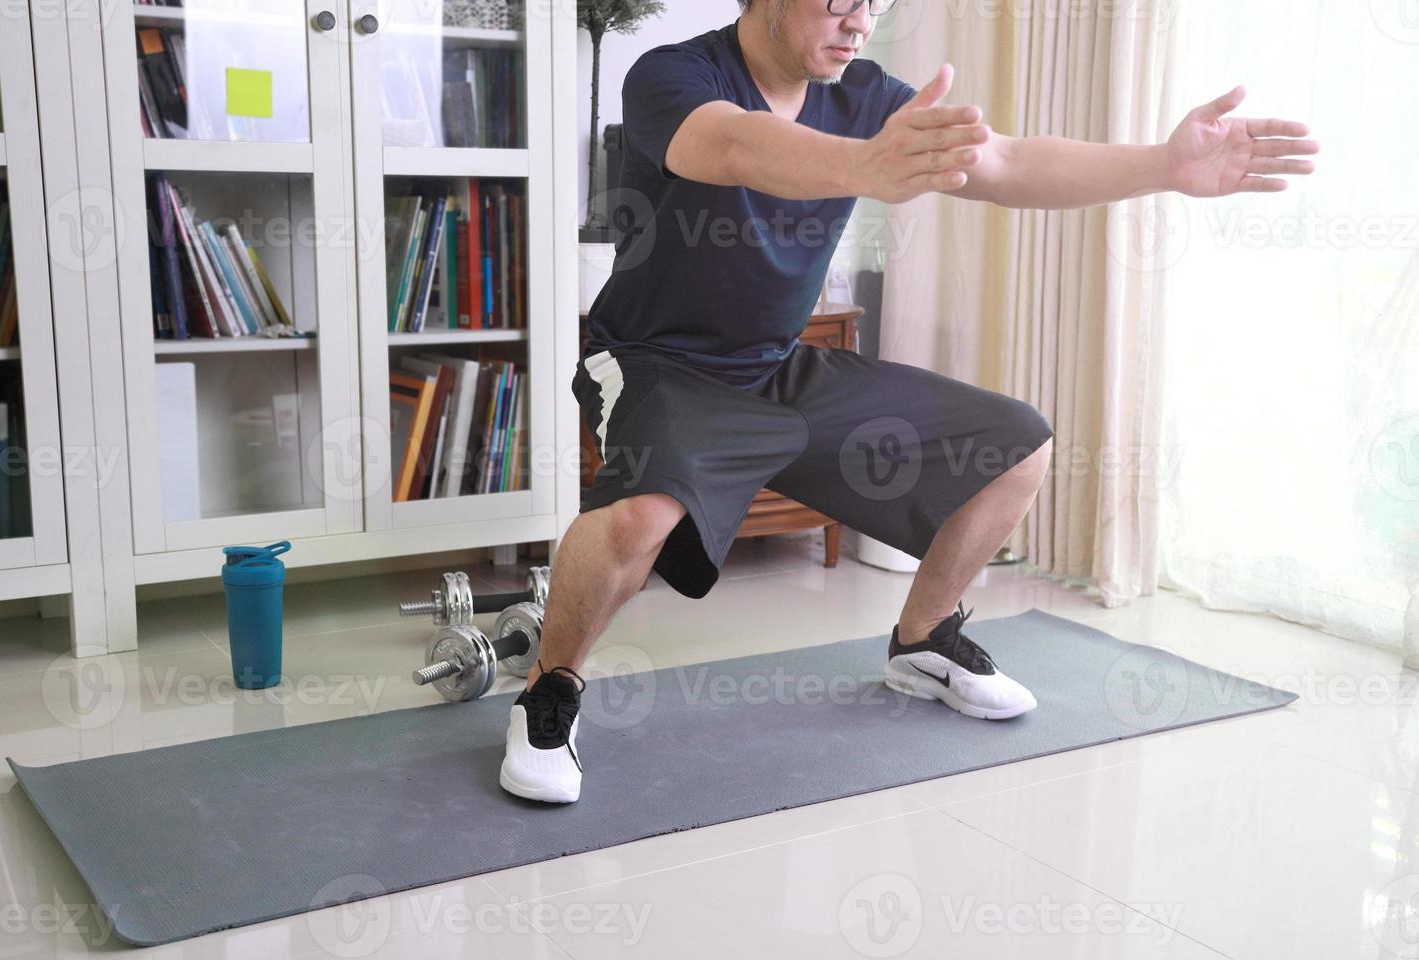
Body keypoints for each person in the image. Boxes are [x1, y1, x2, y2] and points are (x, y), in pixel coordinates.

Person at [499, 0, 1319, 804]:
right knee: (642, 516)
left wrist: (1161, 167)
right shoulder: (673, 73)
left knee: (1017, 446)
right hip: (654, 361)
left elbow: (1011, 163)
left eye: (876, 2)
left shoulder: (870, 97)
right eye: (842, 0)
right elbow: (733, 146)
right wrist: (863, 164)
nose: (861, 19)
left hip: (778, 369)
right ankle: (548, 689)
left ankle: (923, 641)